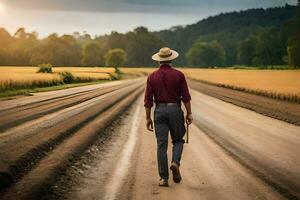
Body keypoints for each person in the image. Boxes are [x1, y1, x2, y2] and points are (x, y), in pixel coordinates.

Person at [144, 47, 193, 187]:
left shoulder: (152, 76)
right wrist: (189, 113)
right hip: (175, 110)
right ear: (172, 59)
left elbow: (148, 100)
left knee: (161, 145)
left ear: (159, 60)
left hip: (159, 111)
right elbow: (186, 97)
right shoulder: (179, 75)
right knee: (178, 140)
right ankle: (175, 163)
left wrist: (148, 118)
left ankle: (164, 179)